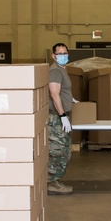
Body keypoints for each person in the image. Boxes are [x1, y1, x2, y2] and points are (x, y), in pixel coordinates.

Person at [46, 42, 75, 195]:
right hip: (56, 117)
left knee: (64, 150)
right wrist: (63, 116)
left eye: (65, 53)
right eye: (60, 54)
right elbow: (54, 94)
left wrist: (71, 99)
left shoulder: (62, 69)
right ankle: (51, 182)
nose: (63, 56)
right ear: (53, 56)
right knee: (57, 150)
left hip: (62, 115)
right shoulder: (55, 71)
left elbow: (62, 90)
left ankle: (54, 180)